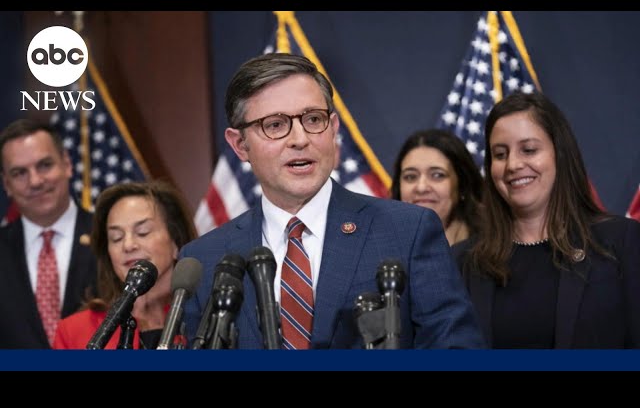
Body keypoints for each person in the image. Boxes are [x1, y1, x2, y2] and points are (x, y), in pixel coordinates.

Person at [181, 53, 485, 349]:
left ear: (334, 128)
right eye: (275, 125)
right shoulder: (204, 261)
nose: (300, 139)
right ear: (239, 145)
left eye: (314, 119)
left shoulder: (407, 232)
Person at [453, 91, 640, 348]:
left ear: (559, 154)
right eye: (500, 154)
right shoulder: (462, 262)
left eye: (529, 150)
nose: (513, 165)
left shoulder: (620, 242)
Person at [53, 180, 197, 349]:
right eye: (117, 238)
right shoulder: (74, 331)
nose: (128, 245)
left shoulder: (205, 317)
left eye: (142, 232)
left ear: (176, 242)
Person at [0, 119, 97, 349]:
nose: (35, 181)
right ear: (6, 184)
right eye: (19, 173)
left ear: (67, 164)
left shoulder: (110, 237)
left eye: (44, 165)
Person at [391, 129, 483, 245]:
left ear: (462, 186)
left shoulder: (491, 248)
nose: (421, 187)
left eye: (437, 175)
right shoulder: (379, 247)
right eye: (410, 177)